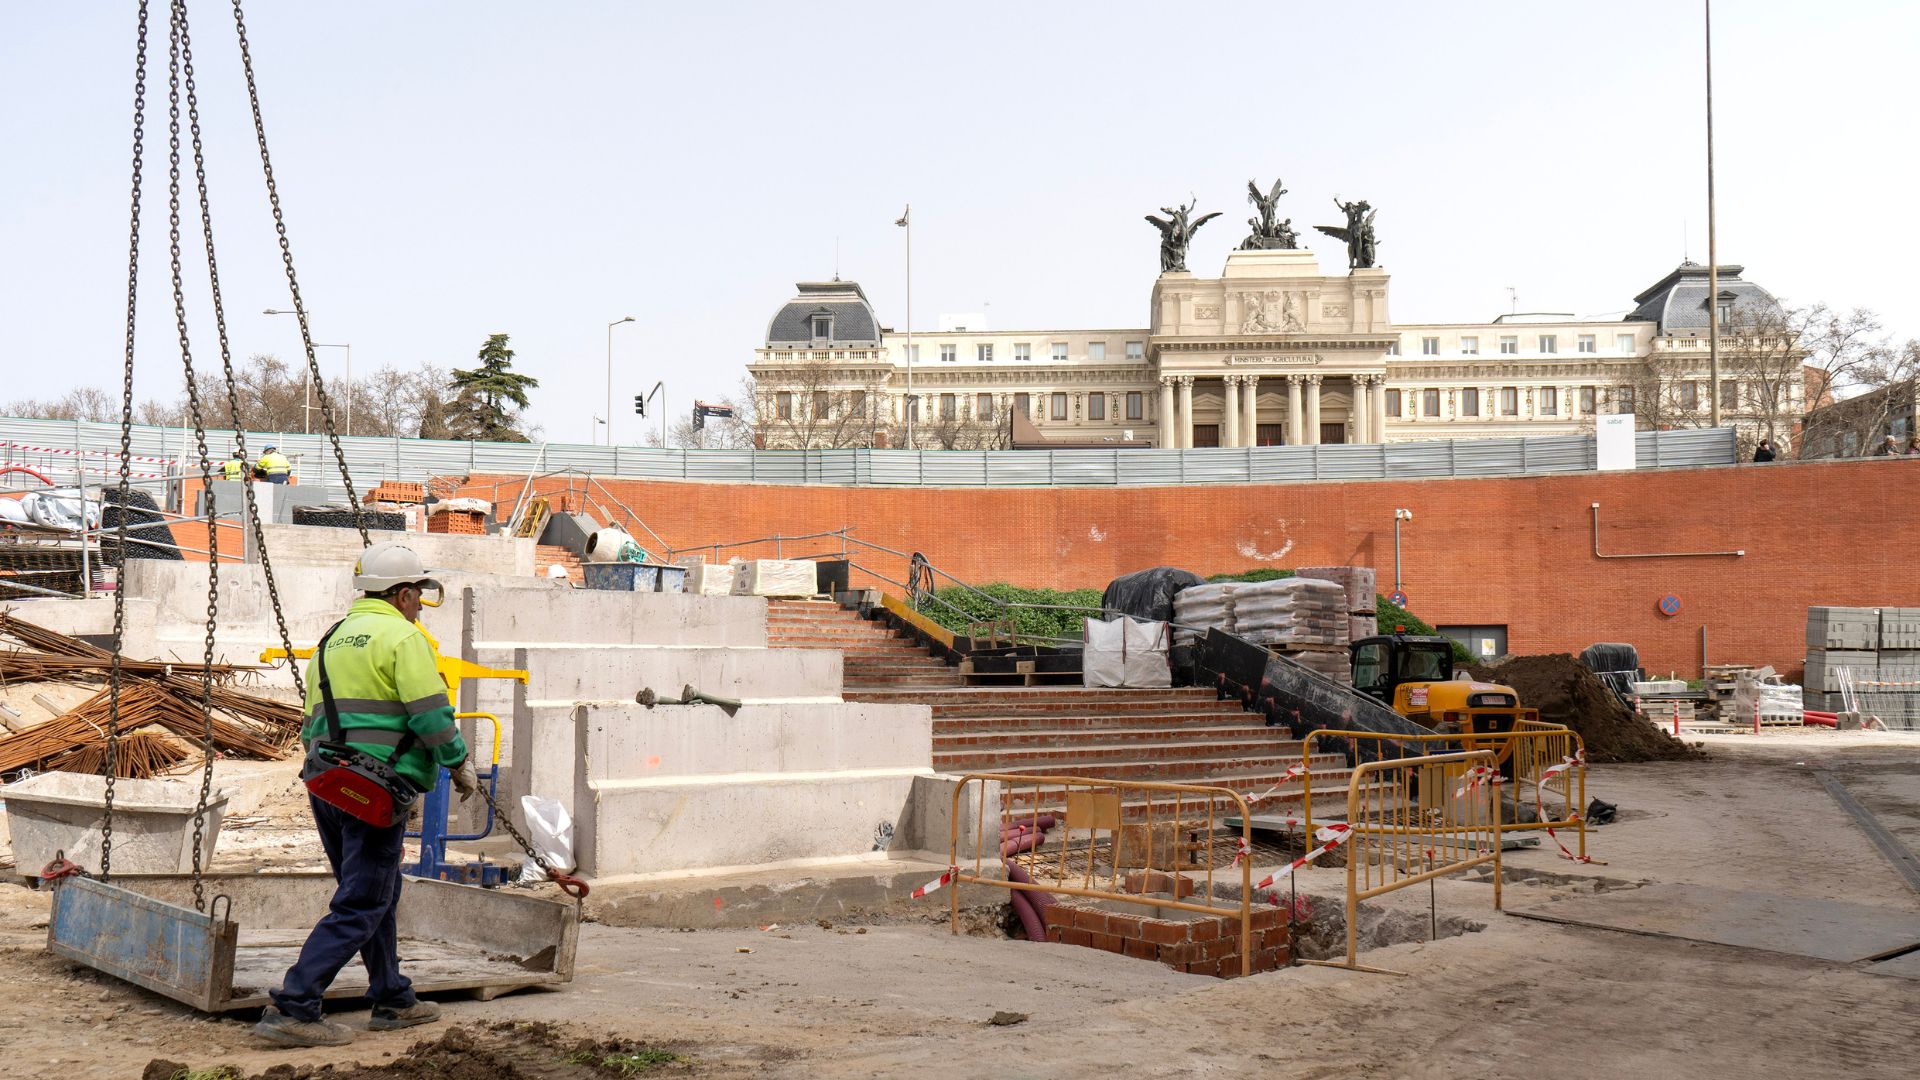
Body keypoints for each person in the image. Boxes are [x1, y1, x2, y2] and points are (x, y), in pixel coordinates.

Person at [253, 542, 479, 1048]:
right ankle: (295, 1005)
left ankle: (392, 997)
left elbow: (312, 719)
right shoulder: (404, 638)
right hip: (374, 789)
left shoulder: (332, 639)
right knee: (364, 900)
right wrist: (458, 762)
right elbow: (430, 715)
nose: (420, 605)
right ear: (403, 594)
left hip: (328, 781)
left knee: (376, 893)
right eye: (418, 595)